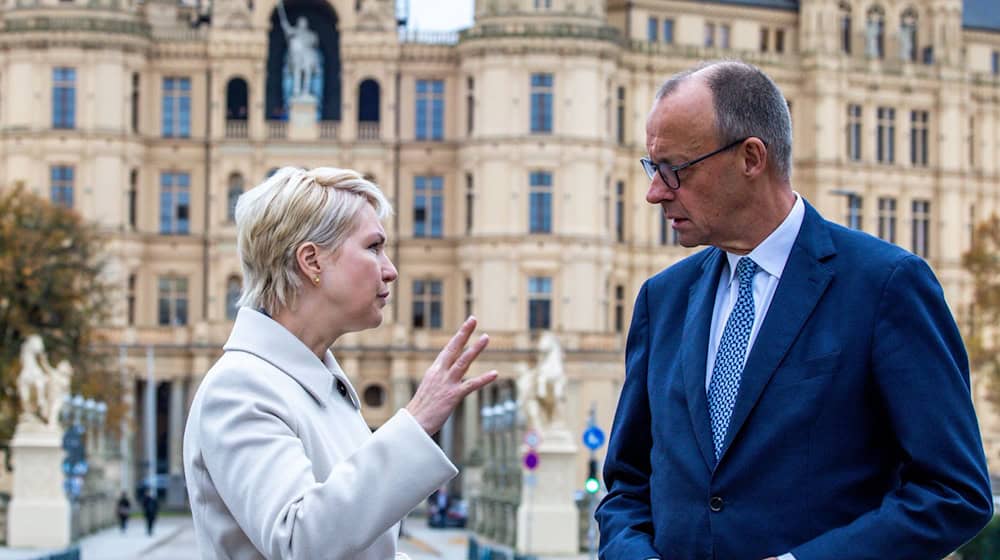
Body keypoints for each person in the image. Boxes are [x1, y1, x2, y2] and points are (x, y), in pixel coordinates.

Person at [595, 60, 992, 560]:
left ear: (751, 158)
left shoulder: (885, 285)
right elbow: (627, 488)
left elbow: (954, 493)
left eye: (675, 170)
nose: (655, 192)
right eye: (653, 168)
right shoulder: (662, 299)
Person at [183, 167, 497, 560]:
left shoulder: (316, 387)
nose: (390, 270)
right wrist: (416, 422)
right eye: (373, 247)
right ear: (312, 261)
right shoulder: (240, 388)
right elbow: (300, 541)